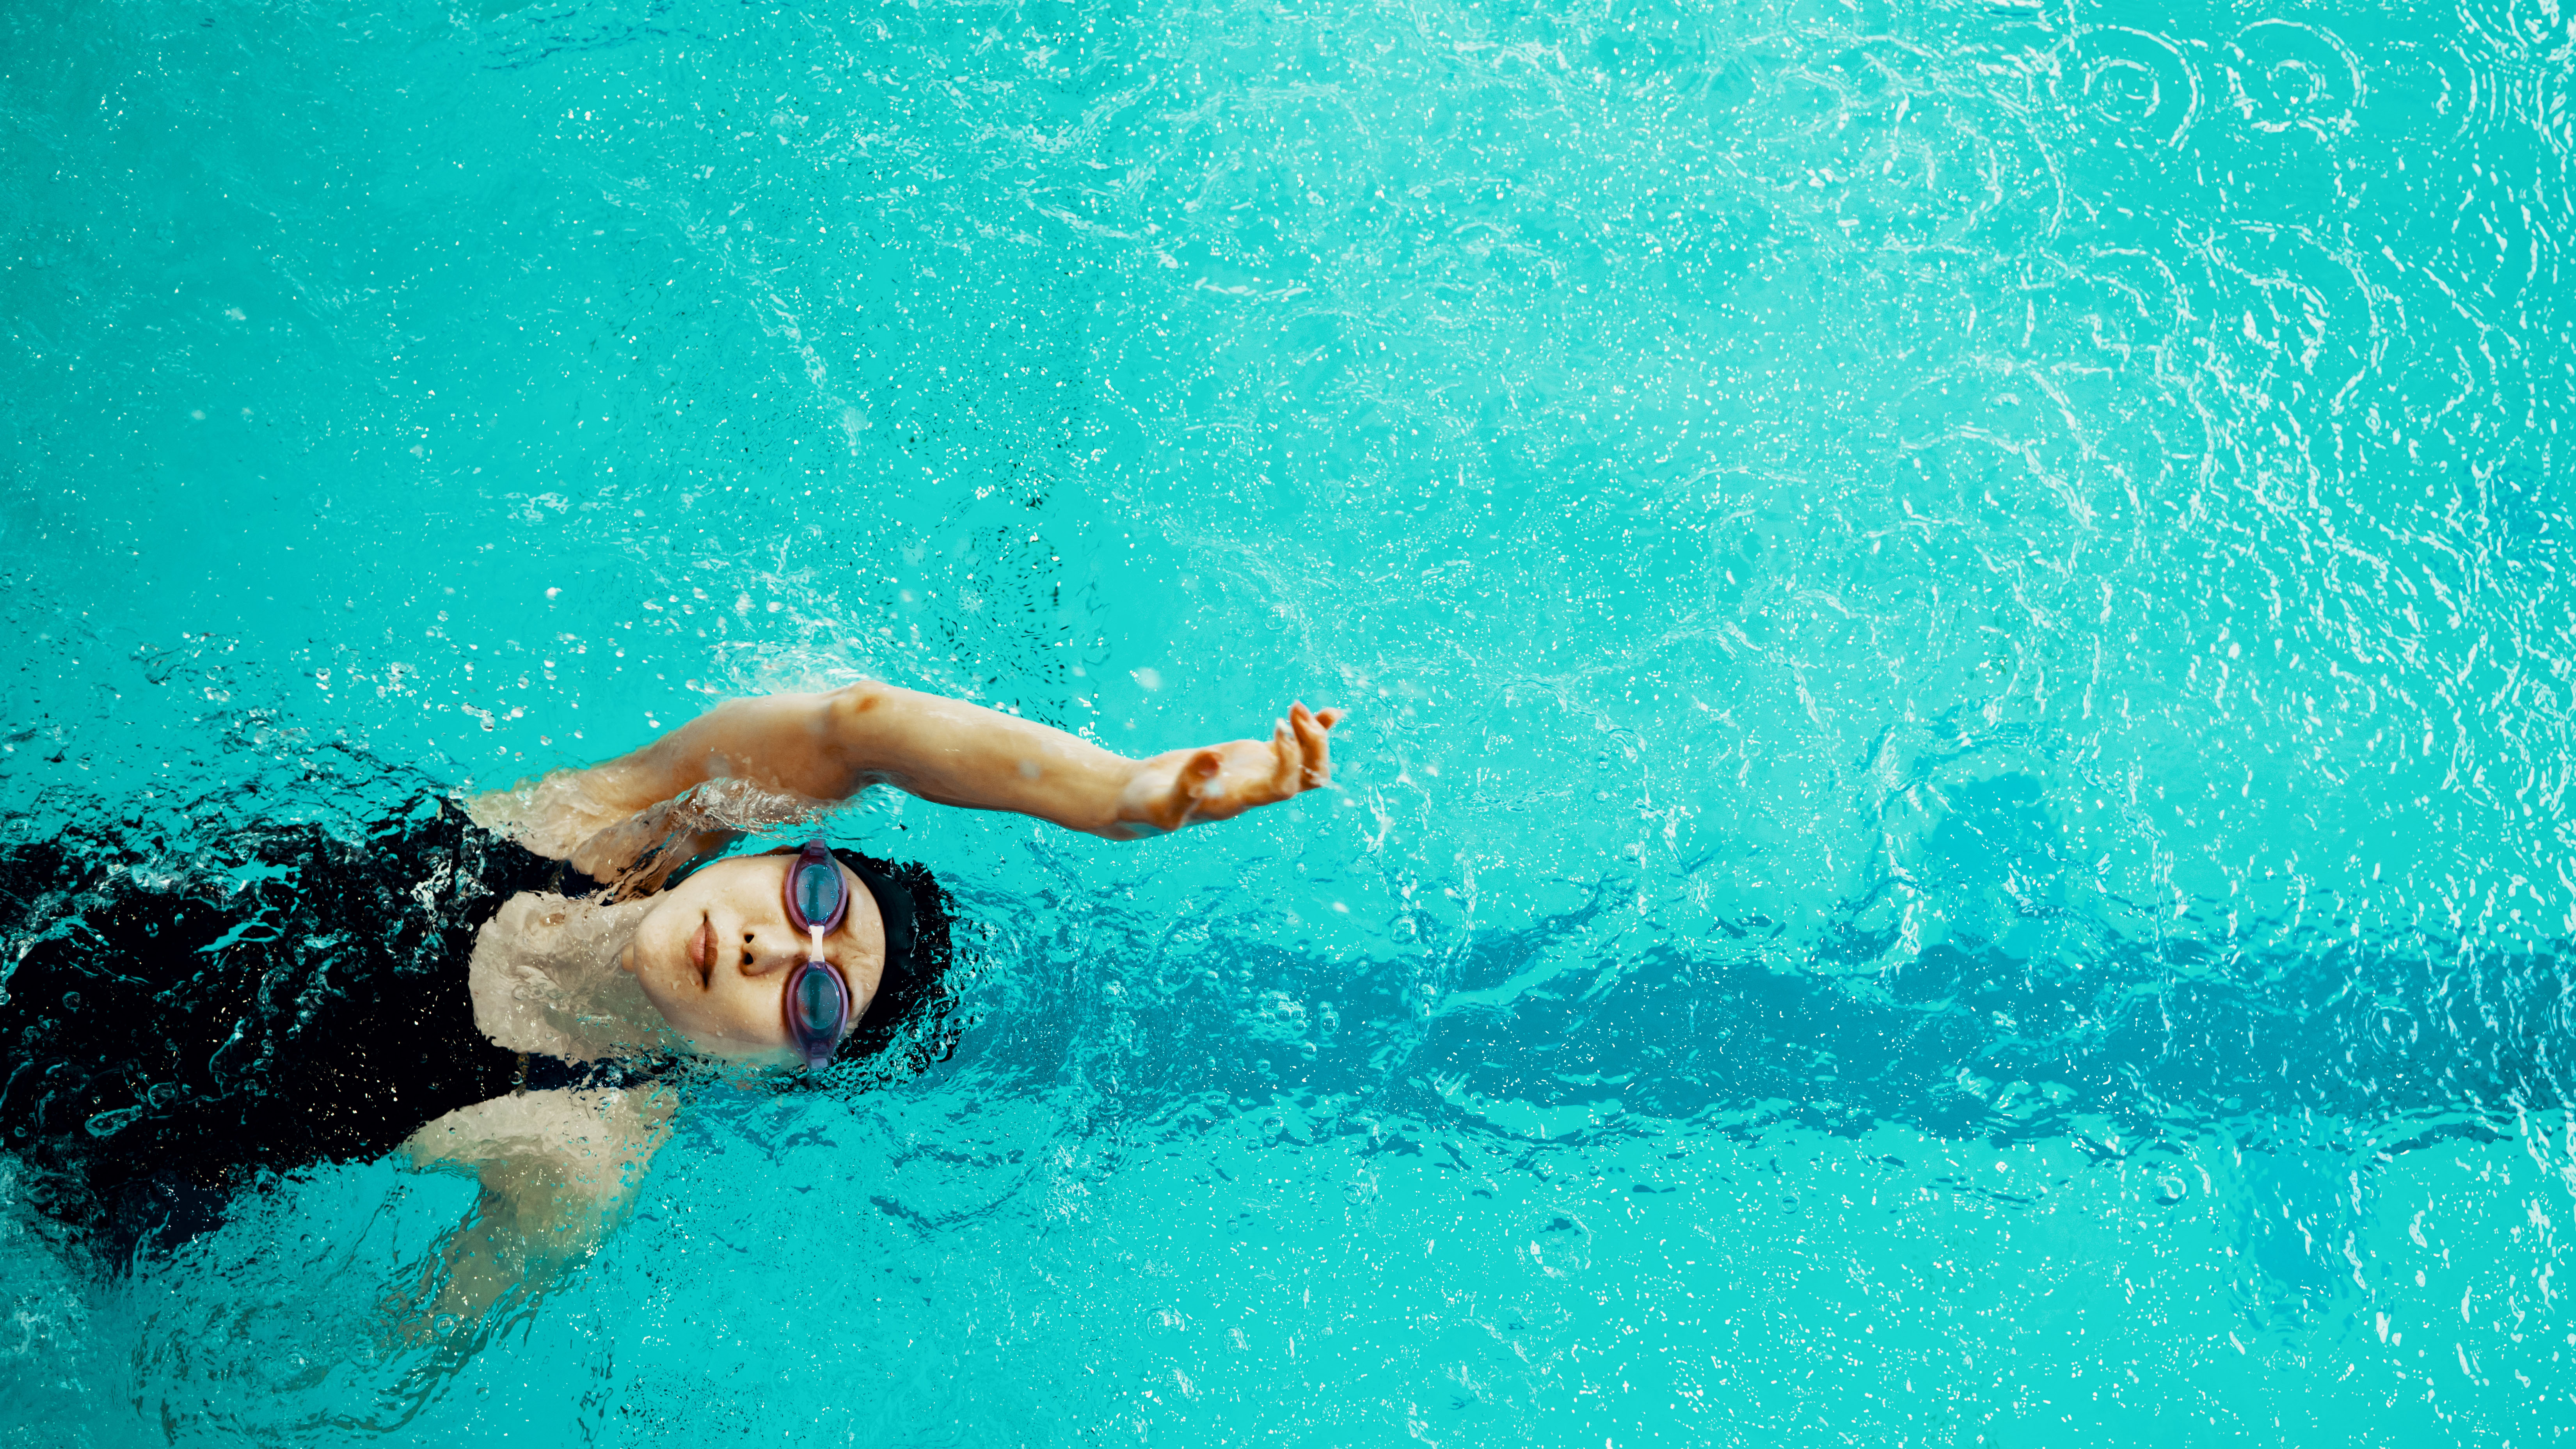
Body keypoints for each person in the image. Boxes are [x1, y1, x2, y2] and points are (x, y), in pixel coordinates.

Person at [0, 681, 1340, 1327]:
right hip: (57, 910)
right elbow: (864, 725)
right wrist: (1124, 797)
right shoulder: (605, 819)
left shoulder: (578, 1151)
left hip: (100, 1165)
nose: (773, 951)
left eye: (817, 1006)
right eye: (813, 896)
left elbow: (383, 1348)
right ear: (766, 841)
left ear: (770, 1071)